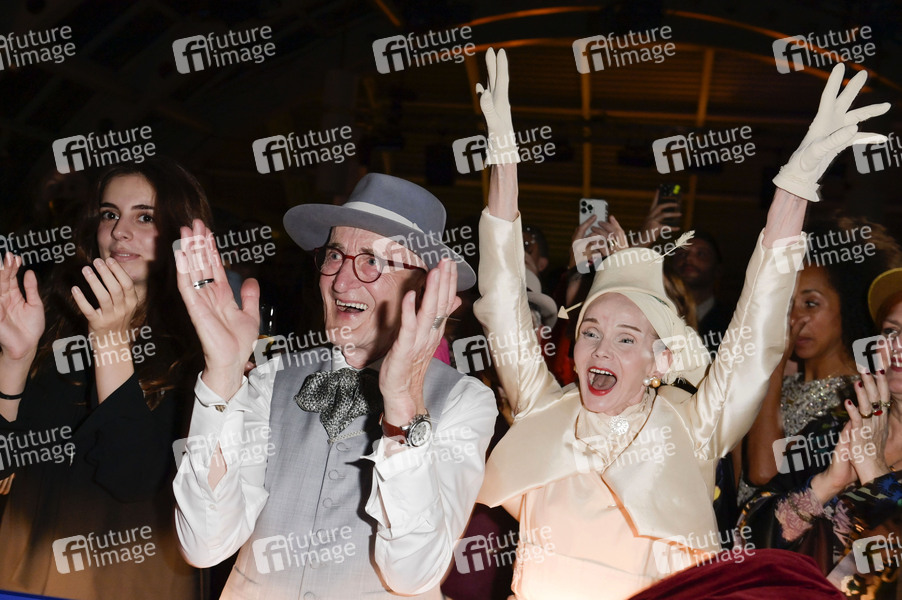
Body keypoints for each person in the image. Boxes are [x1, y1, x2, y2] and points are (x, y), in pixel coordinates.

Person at [471, 49, 887, 599]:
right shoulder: (545, 407)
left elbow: (756, 330)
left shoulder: (692, 427)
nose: (601, 349)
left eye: (626, 338)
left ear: (661, 359)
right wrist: (503, 160)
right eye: (591, 332)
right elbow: (503, 301)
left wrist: (797, 182)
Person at [171, 173, 497, 599]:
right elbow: (204, 544)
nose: (341, 282)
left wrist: (403, 404)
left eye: (372, 261)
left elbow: (412, 573)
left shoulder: (464, 401)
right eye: (334, 255)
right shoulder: (270, 377)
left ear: (424, 285)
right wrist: (223, 374)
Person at [0, 158, 210, 599]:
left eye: (145, 217)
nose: (119, 232)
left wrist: (111, 342)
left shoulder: (201, 349)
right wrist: (15, 360)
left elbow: (131, 478)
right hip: (21, 572)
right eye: (110, 214)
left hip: (124, 581)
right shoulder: (55, 320)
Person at [738, 267, 902, 599]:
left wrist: (875, 476)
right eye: (891, 331)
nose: (897, 346)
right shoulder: (838, 425)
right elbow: (748, 537)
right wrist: (826, 485)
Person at [741, 217, 902, 503]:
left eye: (811, 303)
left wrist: (773, 361)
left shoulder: (857, 398)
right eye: (786, 304)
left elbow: (763, 473)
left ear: (849, 307)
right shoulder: (785, 382)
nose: (794, 318)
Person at [672, 230, 732, 354]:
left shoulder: (733, 321)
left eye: (701, 254)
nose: (688, 259)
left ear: (718, 270)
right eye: (682, 254)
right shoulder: (656, 312)